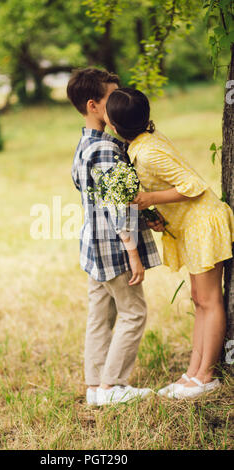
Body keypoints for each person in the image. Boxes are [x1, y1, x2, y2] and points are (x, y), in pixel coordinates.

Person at [105, 87, 234, 399]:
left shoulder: (148, 151)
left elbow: (193, 185)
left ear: (114, 125)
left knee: (209, 300)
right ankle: (192, 372)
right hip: (190, 225)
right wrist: (156, 212)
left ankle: (206, 376)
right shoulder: (143, 143)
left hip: (204, 222)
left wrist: (150, 198)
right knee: (198, 299)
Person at [67, 69, 163, 405]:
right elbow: (117, 204)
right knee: (133, 312)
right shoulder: (107, 149)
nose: (120, 101)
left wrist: (149, 217)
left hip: (93, 248)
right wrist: (133, 252)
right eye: (113, 97)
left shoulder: (85, 145)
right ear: (94, 105)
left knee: (100, 315)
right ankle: (113, 386)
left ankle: (95, 387)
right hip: (114, 248)